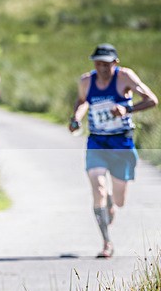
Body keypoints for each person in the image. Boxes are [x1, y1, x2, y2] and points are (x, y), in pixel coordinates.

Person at [68, 43, 158, 258]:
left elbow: (152, 100)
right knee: (97, 188)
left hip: (122, 144)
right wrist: (76, 119)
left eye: (107, 64)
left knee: (119, 201)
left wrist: (126, 108)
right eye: (98, 64)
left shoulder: (125, 77)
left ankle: (111, 200)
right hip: (97, 143)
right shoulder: (86, 81)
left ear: (115, 63)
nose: (102, 68)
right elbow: (82, 102)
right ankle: (106, 242)